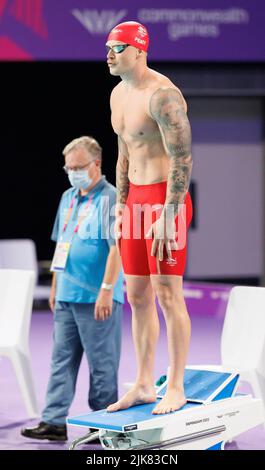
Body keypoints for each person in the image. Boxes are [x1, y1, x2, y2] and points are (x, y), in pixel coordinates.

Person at [106, 21, 193, 415]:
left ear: (140, 50)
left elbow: (183, 158)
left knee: (168, 295)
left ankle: (175, 386)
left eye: (118, 47)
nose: (109, 53)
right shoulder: (117, 95)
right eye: (108, 46)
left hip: (164, 200)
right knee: (137, 296)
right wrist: (122, 206)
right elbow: (125, 152)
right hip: (137, 200)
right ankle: (144, 383)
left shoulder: (163, 96)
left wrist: (169, 212)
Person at [21, 136, 124, 440]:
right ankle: (53, 421)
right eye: (69, 168)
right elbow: (61, 244)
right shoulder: (68, 197)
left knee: (102, 364)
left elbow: (118, 248)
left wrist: (107, 288)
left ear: (97, 164)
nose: (74, 172)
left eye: (79, 167)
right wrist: (55, 285)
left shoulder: (111, 198)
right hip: (66, 294)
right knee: (60, 360)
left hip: (97, 296)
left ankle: (102, 424)